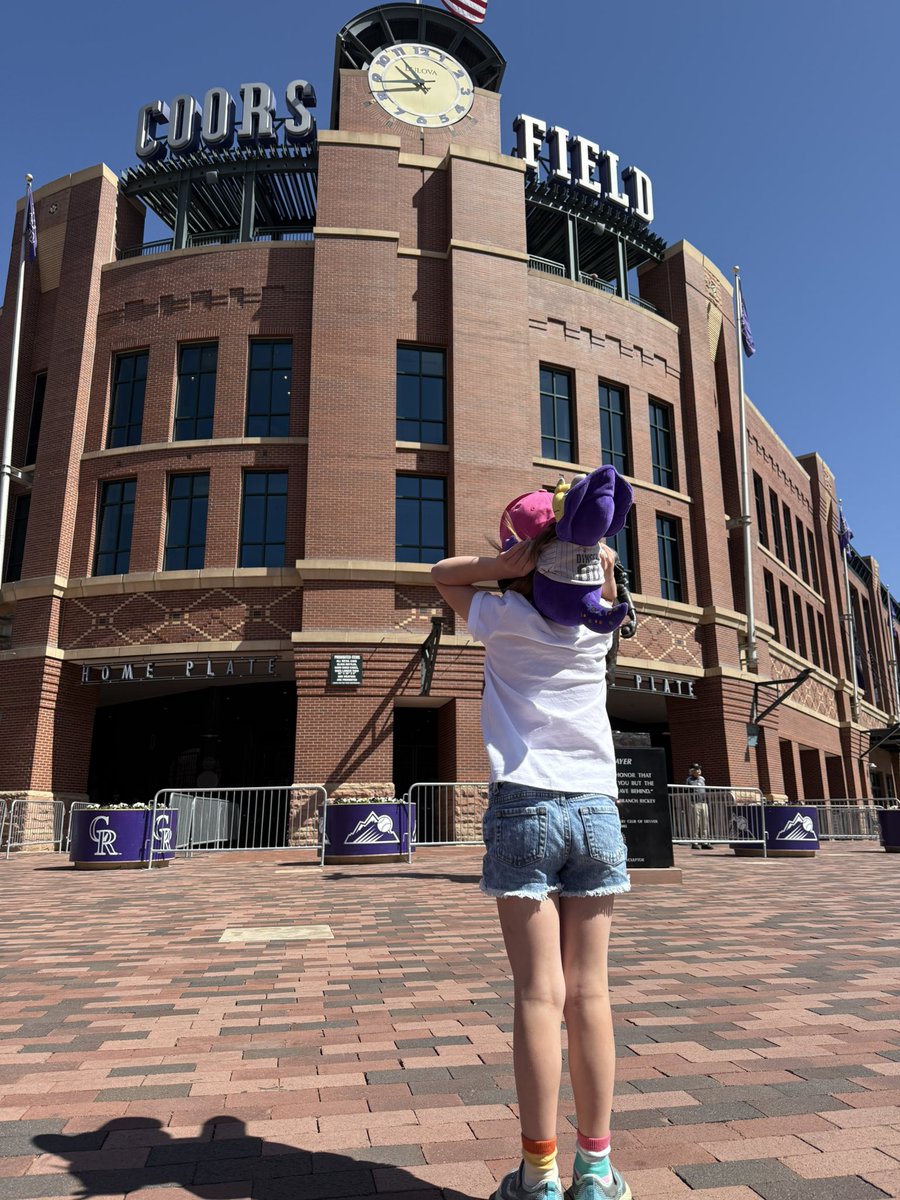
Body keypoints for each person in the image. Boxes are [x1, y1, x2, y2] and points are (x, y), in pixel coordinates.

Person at [432, 529, 631, 1200]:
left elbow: (442, 574)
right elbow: (610, 594)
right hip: (597, 808)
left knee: (539, 995)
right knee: (591, 993)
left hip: (524, 804)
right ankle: (597, 1173)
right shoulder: (599, 630)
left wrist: (498, 564)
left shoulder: (504, 617)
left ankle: (538, 1176)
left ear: (527, 570)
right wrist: (603, 569)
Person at [685, 763, 712, 849]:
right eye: (697, 769)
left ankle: (704, 842)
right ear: (692, 771)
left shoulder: (702, 779)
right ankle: (695, 842)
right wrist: (689, 802)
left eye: (699, 769)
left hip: (703, 803)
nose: (699, 770)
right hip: (694, 803)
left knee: (705, 823)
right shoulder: (689, 780)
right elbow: (686, 792)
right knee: (695, 823)